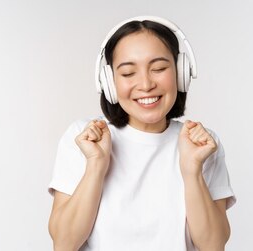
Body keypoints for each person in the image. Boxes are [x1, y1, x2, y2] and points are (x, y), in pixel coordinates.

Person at [47, 16, 236, 251]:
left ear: (180, 73)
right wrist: (96, 165)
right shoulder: (84, 139)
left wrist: (192, 171)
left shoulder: (201, 144)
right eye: (128, 73)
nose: (146, 84)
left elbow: (213, 246)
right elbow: (64, 244)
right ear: (108, 82)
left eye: (158, 68)